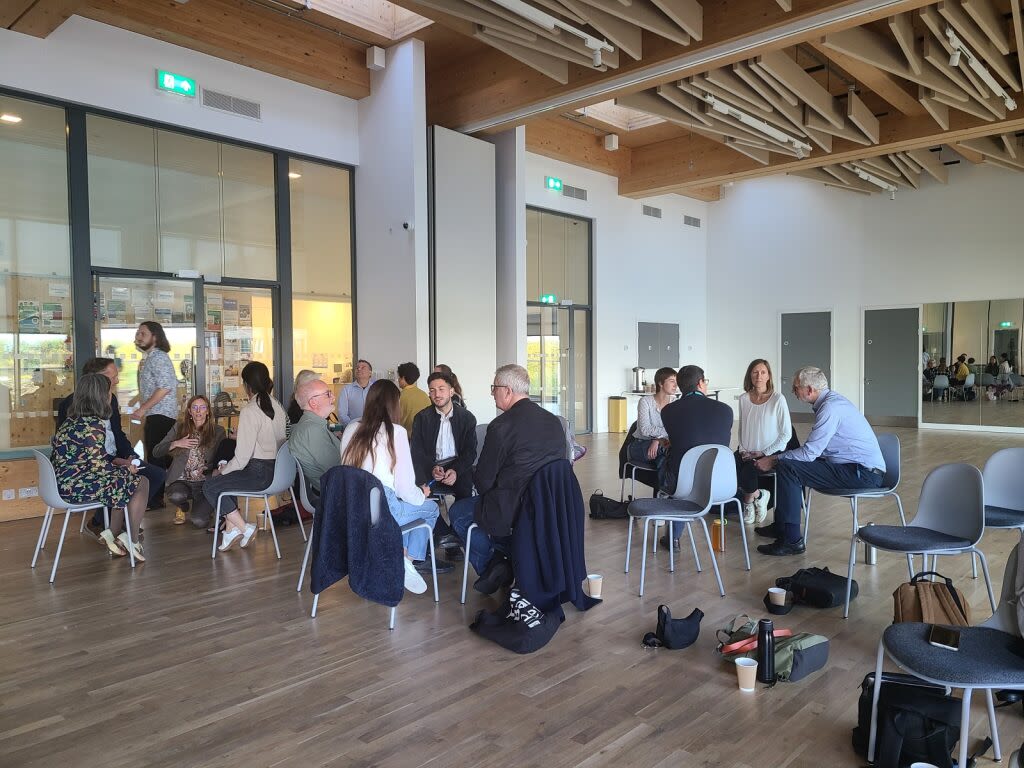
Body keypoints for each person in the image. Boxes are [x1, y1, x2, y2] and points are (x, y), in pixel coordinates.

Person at [447, 364, 565, 595]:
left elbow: (482, 483)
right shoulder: (553, 421)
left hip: (512, 505)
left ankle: (494, 564)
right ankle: (510, 559)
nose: (492, 393)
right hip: (548, 504)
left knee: (458, 513)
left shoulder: (501, 426)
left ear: (508, 390)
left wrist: (467, 471)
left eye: (494, 388)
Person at [754, 366, 884, 556]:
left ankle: (791, 540)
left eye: (796, 387)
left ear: (809, 390)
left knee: (788, 467)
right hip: (854, 468)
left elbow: (809, 454)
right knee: (790, 461)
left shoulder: (830, 408)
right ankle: (781, 526)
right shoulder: (833, 402)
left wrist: (773, 458)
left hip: (861, 474)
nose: (793, 391)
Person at [340, 380, 438, 593]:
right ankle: (409, 560)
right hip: (384, 511)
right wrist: (422, 493)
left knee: (404, 507)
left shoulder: (350, 429)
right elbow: (404, 489)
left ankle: (401, 556)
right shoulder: (397, 432)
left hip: (354, 510)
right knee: (430, 508)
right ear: (395, 404)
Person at [56, 357, 165, 534]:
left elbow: (117, 433)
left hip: (109, 459)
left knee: (157, 475)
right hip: (90, 468)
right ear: (96, 379)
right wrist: (122, 466)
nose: (117, 380)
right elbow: (84, 457)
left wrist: (130, 456)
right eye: (112, 377)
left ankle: (121, 524)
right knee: (132, 480)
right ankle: (111, 528)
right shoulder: (73, 408)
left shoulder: (110, 399)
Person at [51, 373, 149, 561]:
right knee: (140, 481)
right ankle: (132, 539)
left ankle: (112, 534)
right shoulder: (94, 426)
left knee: (124, 480)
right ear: (100, 396)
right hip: (76, 488)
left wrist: (118, 463)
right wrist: (126, 468)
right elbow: (100, 469)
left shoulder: (71, 422)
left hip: (65, 482)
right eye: (108, 391)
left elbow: (90, 458)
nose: (110, 396)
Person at [203, 362, 287, 552]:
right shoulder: (277, 406)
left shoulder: (250, 410)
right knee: (227, 482)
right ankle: (230, 530)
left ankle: (244, 528)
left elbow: (241, 460)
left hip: (260, 474)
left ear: (246, 384)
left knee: (211, 485)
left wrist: (223, 469)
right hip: (280, 472)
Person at [658, 364, 734, 549]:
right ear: (700, 383)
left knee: (672, 461)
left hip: (683, 485)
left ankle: (673, 538)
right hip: (722, 483)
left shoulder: (668, 411)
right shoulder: (726, 410)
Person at [411, 371, 477, 564]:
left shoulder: (467, 418)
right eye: (432, 390)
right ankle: (445, 535)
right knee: (418, 492)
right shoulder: (422, 418)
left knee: (465, 490)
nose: (437, 394)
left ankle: (455, 540)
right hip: (431, 466)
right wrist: (432, 468)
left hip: (457, 465)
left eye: (441, 389)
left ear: (451, 391)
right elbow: (417, 452)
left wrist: (455, 470)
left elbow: (470, 452)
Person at [154, 395, 226, 528]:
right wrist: (176, 443)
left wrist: (219, 467)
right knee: (175, 495)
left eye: (202, 407)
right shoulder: (179, 428)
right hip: (182, 481)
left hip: (205, 483)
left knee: (199, 521)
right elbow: (156, 451)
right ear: (189, 411)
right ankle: (183, 506)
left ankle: (203, 507)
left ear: (208, 411)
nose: (198, 411)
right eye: (195, 407)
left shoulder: (218, 431)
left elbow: (222, 456)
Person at [736, 359, 792, 524]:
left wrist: (764, 453)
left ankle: (748, 501)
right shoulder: (743, 399)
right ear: (750, 376)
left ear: (768, 376)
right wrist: (742, 449)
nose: (758, 376)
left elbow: (786, 434)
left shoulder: (778, 399)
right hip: (747, 450)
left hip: (769, 452)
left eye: (763, 372)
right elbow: (742, 428)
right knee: (728, 465)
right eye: (755, 372)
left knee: (748, 470)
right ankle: (759, 495)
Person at [130, 321, 179, 505]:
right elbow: (156, 386)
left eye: (143, 333)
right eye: (138, 333)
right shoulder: (150, 358)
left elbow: (165, 387)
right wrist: (138, 400)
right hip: (156, 413)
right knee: (158, 454)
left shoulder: (158, 357)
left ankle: (157, 498)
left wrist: (143, 408)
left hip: (161, 414)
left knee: (156, 455)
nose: (138, 336)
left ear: (155, 337)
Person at [288, 377, 341, 500]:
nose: (333, 397)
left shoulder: (314, 424)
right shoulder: (312, 430)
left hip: (335, 486)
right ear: (313, 403)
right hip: (335, 493)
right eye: (328, 394)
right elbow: (337, 468)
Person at [627, 366, 677, 471]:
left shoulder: (674, 402)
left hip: (661, 446)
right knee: (671, 452)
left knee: (665, 459)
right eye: (672, 381)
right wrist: (659, 438)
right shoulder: (645, 401)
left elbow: (677, 428)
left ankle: (664, 486)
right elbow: (645, 430)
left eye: (676, 381)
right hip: (640, 445)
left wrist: (657, 440)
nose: (675, 385)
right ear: (661, 383)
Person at [337, 359, 375, 427]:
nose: (359, 369)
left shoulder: (376, 389)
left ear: (370, 373)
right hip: (352, 430)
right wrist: (353, 427)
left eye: (363, 367)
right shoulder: (346, 389)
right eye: (357, 368)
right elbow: (342, 414)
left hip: (373, 428)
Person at [397, 362, 431, 434]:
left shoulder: (400, 396)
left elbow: (397, 420)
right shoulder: (424, 395)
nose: (398, 380)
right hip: (426, 435)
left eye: (399, 377)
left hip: (408, 437)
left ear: (403, 378)